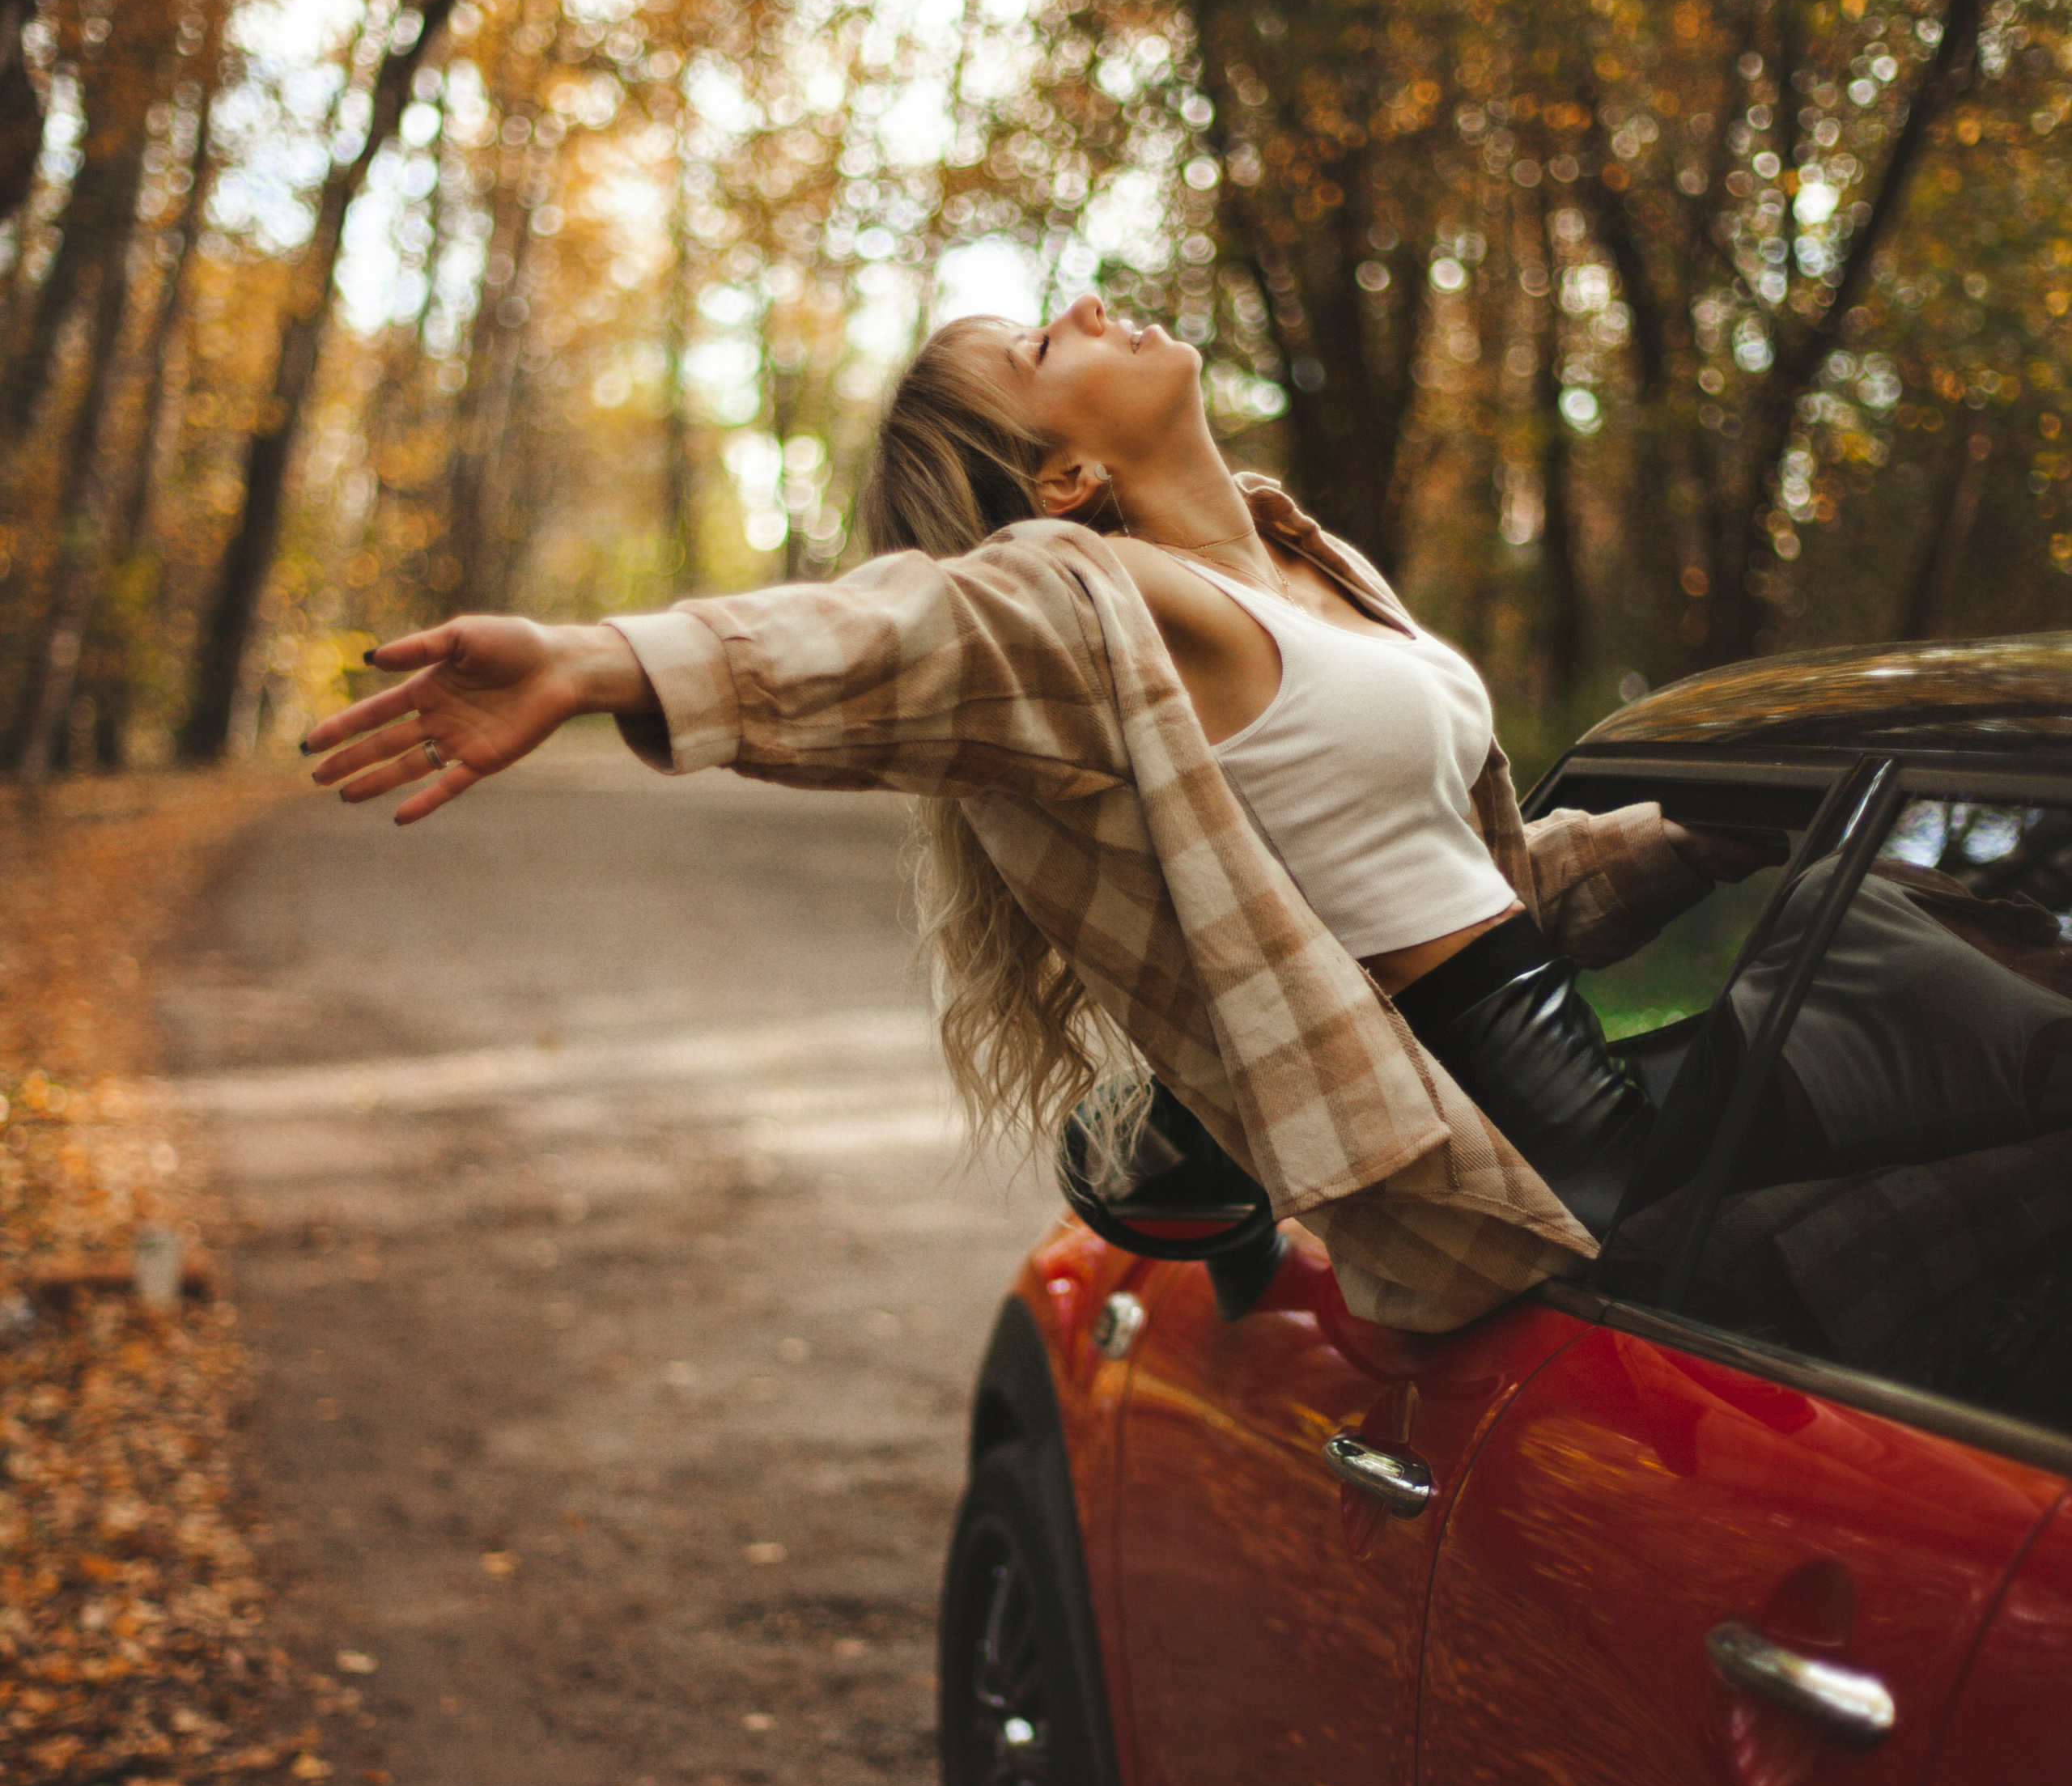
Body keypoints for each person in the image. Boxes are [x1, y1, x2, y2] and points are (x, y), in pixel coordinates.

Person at [302, 294, 1730, 1330]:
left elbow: (1457, 894)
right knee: (1922, 1024)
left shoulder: (1312, 565)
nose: (1095, 305)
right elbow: (897, 635)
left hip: (1589, 1099)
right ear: (1063, 482)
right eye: (1049, 345)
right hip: (1516, 1172)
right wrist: (592, 659)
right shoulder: (1102, 600)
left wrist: (1691, 845)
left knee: (1916, 974)